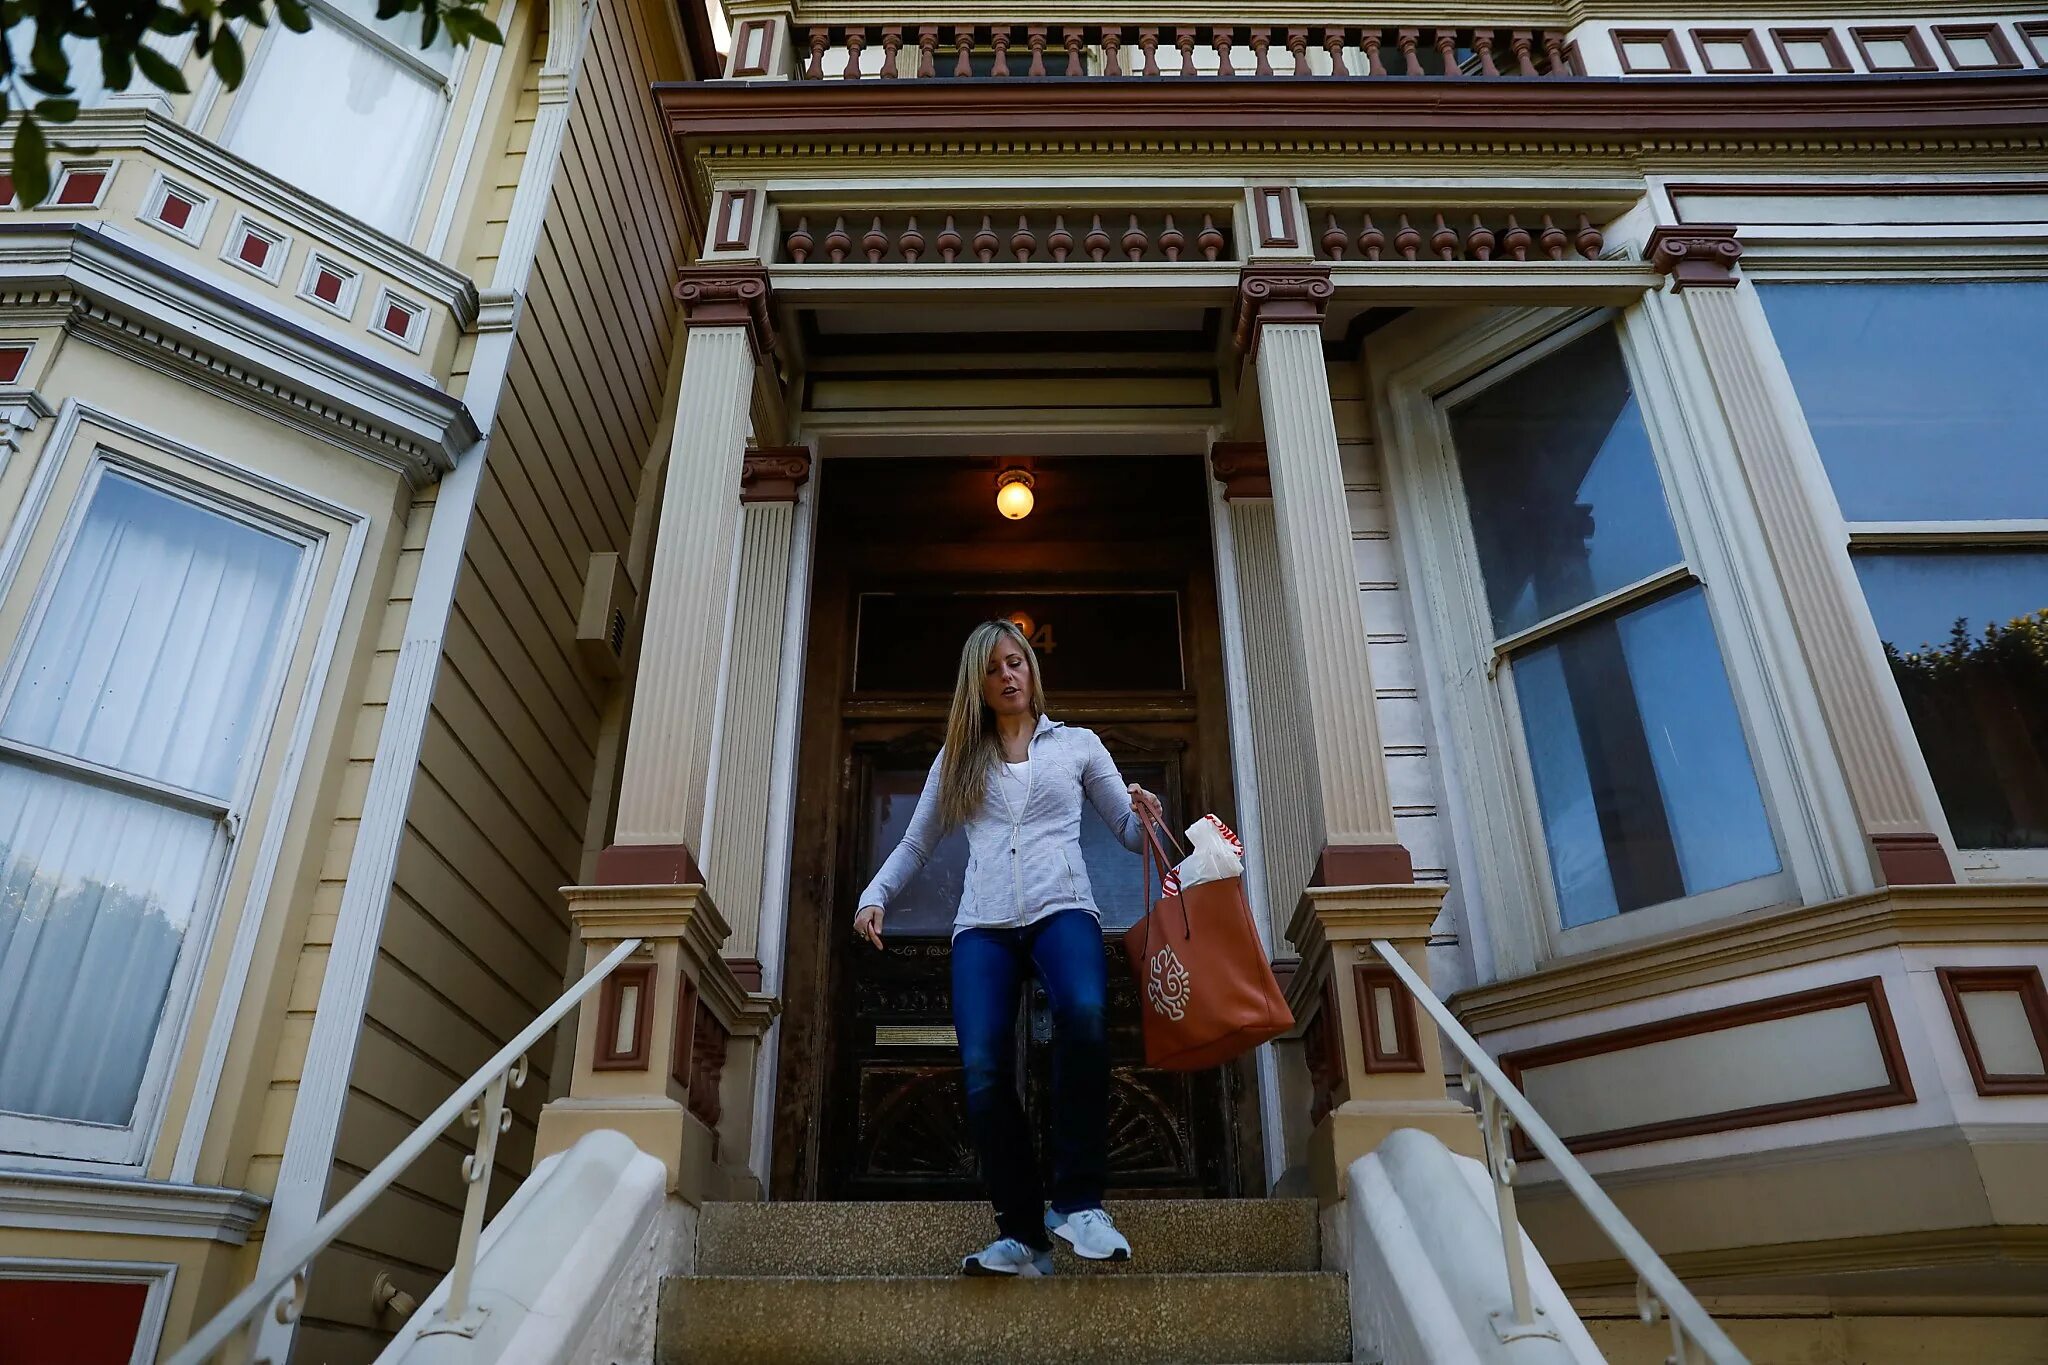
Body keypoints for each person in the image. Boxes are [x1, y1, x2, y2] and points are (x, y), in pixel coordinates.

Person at [855, 618, 1163, 1277]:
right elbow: (917, 842)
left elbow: (1126, 831)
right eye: (994, 666)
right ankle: (1022, 1234)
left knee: (1082, 1011)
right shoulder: (958, 758)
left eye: (1017, 661)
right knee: (986, 1068)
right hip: (983, 924)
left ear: (1033, 670)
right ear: (979, 681)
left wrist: (1148, 814)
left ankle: (1078, 1202)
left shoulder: (1078, 745)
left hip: (1065, 906)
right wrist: (874, 894)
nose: (1009, 674)